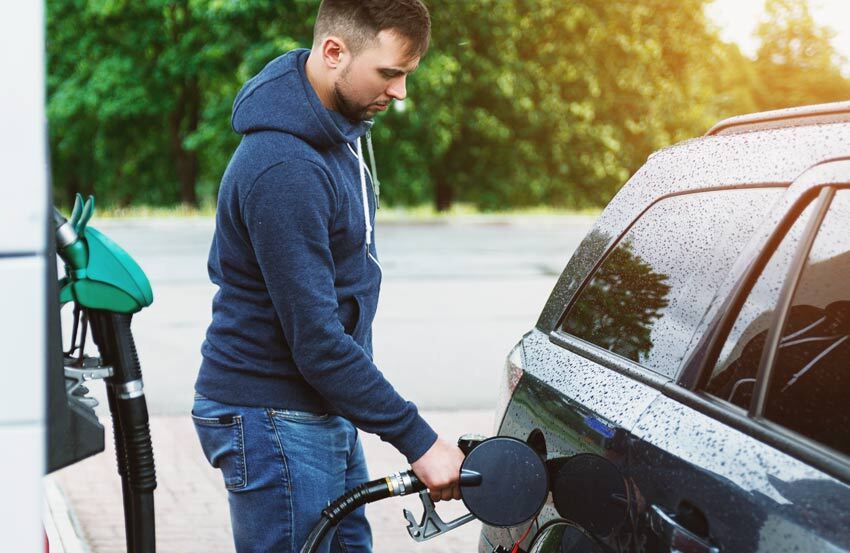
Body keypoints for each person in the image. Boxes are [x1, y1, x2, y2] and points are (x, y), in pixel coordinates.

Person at [191, 1, 464, 552]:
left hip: (314, 406)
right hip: (272, 414)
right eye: (389, 73)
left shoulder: (340, 132)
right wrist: (420, 442)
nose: (401, 93)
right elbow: (316, 340)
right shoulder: (285, 167)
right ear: (334, 52)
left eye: (406, 75)